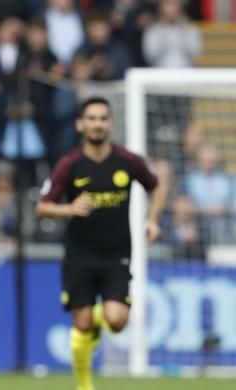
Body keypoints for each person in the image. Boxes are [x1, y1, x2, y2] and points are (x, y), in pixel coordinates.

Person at [36, 96, 167, 390]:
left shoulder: (128, 161)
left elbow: (157, 186)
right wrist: (69, 209)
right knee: (81, 325)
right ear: (80, 124)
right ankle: (84, 385)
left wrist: (153, 219)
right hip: (79, 255)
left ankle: (100, 314)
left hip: (117, 254)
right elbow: (43, 207)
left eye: (103, 118)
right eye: (92, 119)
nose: (97, 124)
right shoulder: (69, 165)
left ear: (111, 123)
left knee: (117, 321)